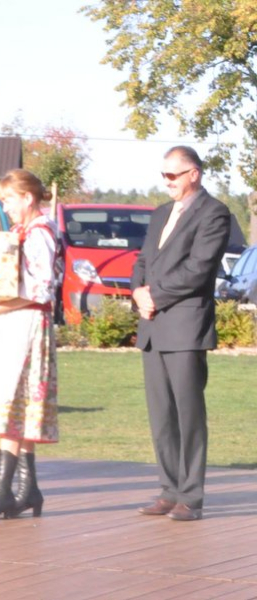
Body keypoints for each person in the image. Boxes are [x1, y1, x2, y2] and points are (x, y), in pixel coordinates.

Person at [131, 146, 230, 521]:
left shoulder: (214, 213)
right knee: (161, 416)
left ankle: (191, 496)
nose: (167, 181)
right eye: (163, 175)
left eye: (173, 175)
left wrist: (154, 295)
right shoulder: (160, 214)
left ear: (194, 174)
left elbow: (198, 270)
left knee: (189, 415)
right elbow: (143, 260)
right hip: (153, 327)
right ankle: (169, 490)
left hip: (185, 328)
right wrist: (137, 291)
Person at [0, 169, 58, 521]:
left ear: (27, 198)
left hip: (25, 325)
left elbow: (41, 290)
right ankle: (28, 487)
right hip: (11, 322)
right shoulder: (23, 232)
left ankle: (2, 492)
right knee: (19, 407)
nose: (5, 207)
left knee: (12, 406)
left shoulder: (40, 234)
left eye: (8, 200)